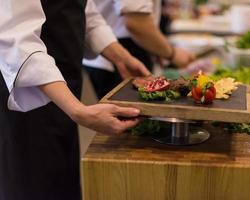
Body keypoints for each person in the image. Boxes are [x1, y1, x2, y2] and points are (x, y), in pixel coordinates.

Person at [0, 0, 150, 199]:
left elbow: (81, 9)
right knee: (33, 186)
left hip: (64, 92)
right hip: (26, 97)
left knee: (61, 181)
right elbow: (17, 41)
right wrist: (77, 110)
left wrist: (121, 57)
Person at [83, 0, 195, 98]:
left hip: (115, 50)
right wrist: (173, 54)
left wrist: (156, 47)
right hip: (116, 55)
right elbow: (136, 24)